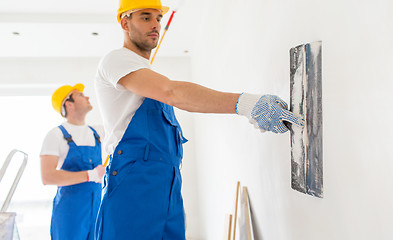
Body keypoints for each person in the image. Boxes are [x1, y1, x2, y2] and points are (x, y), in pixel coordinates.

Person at [94, 0, 304, 239]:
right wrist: (247, 104)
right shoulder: (117, 60)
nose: (155, 25)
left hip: (167, 184)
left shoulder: (145, 74)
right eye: (145, 17)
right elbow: (172, 92)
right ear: (125, 22)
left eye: (158, 18)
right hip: (132, 186)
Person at [40, 83, 105, 240]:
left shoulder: (98, 132)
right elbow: (47, 176)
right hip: (70, 213)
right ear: (68, 104)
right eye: (81, 95)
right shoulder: (56, 135)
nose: (88, 97)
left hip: (96, 208)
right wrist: (89, 175)